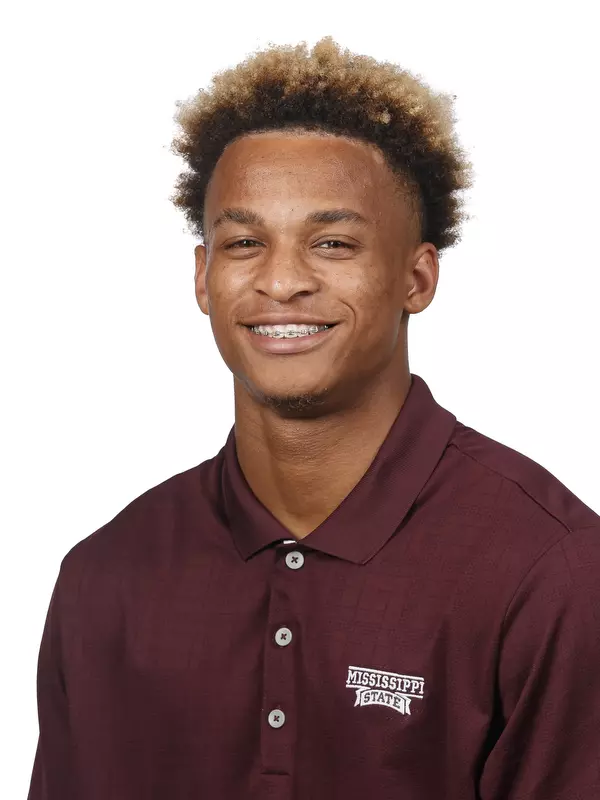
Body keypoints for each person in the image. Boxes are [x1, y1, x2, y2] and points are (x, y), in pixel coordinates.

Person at [28, 36, 600, 800]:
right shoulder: (103, 578)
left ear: (417, 277)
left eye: (332, 243)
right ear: (203, 276)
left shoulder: (551, 572)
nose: (283, 281)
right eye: (244, 242)